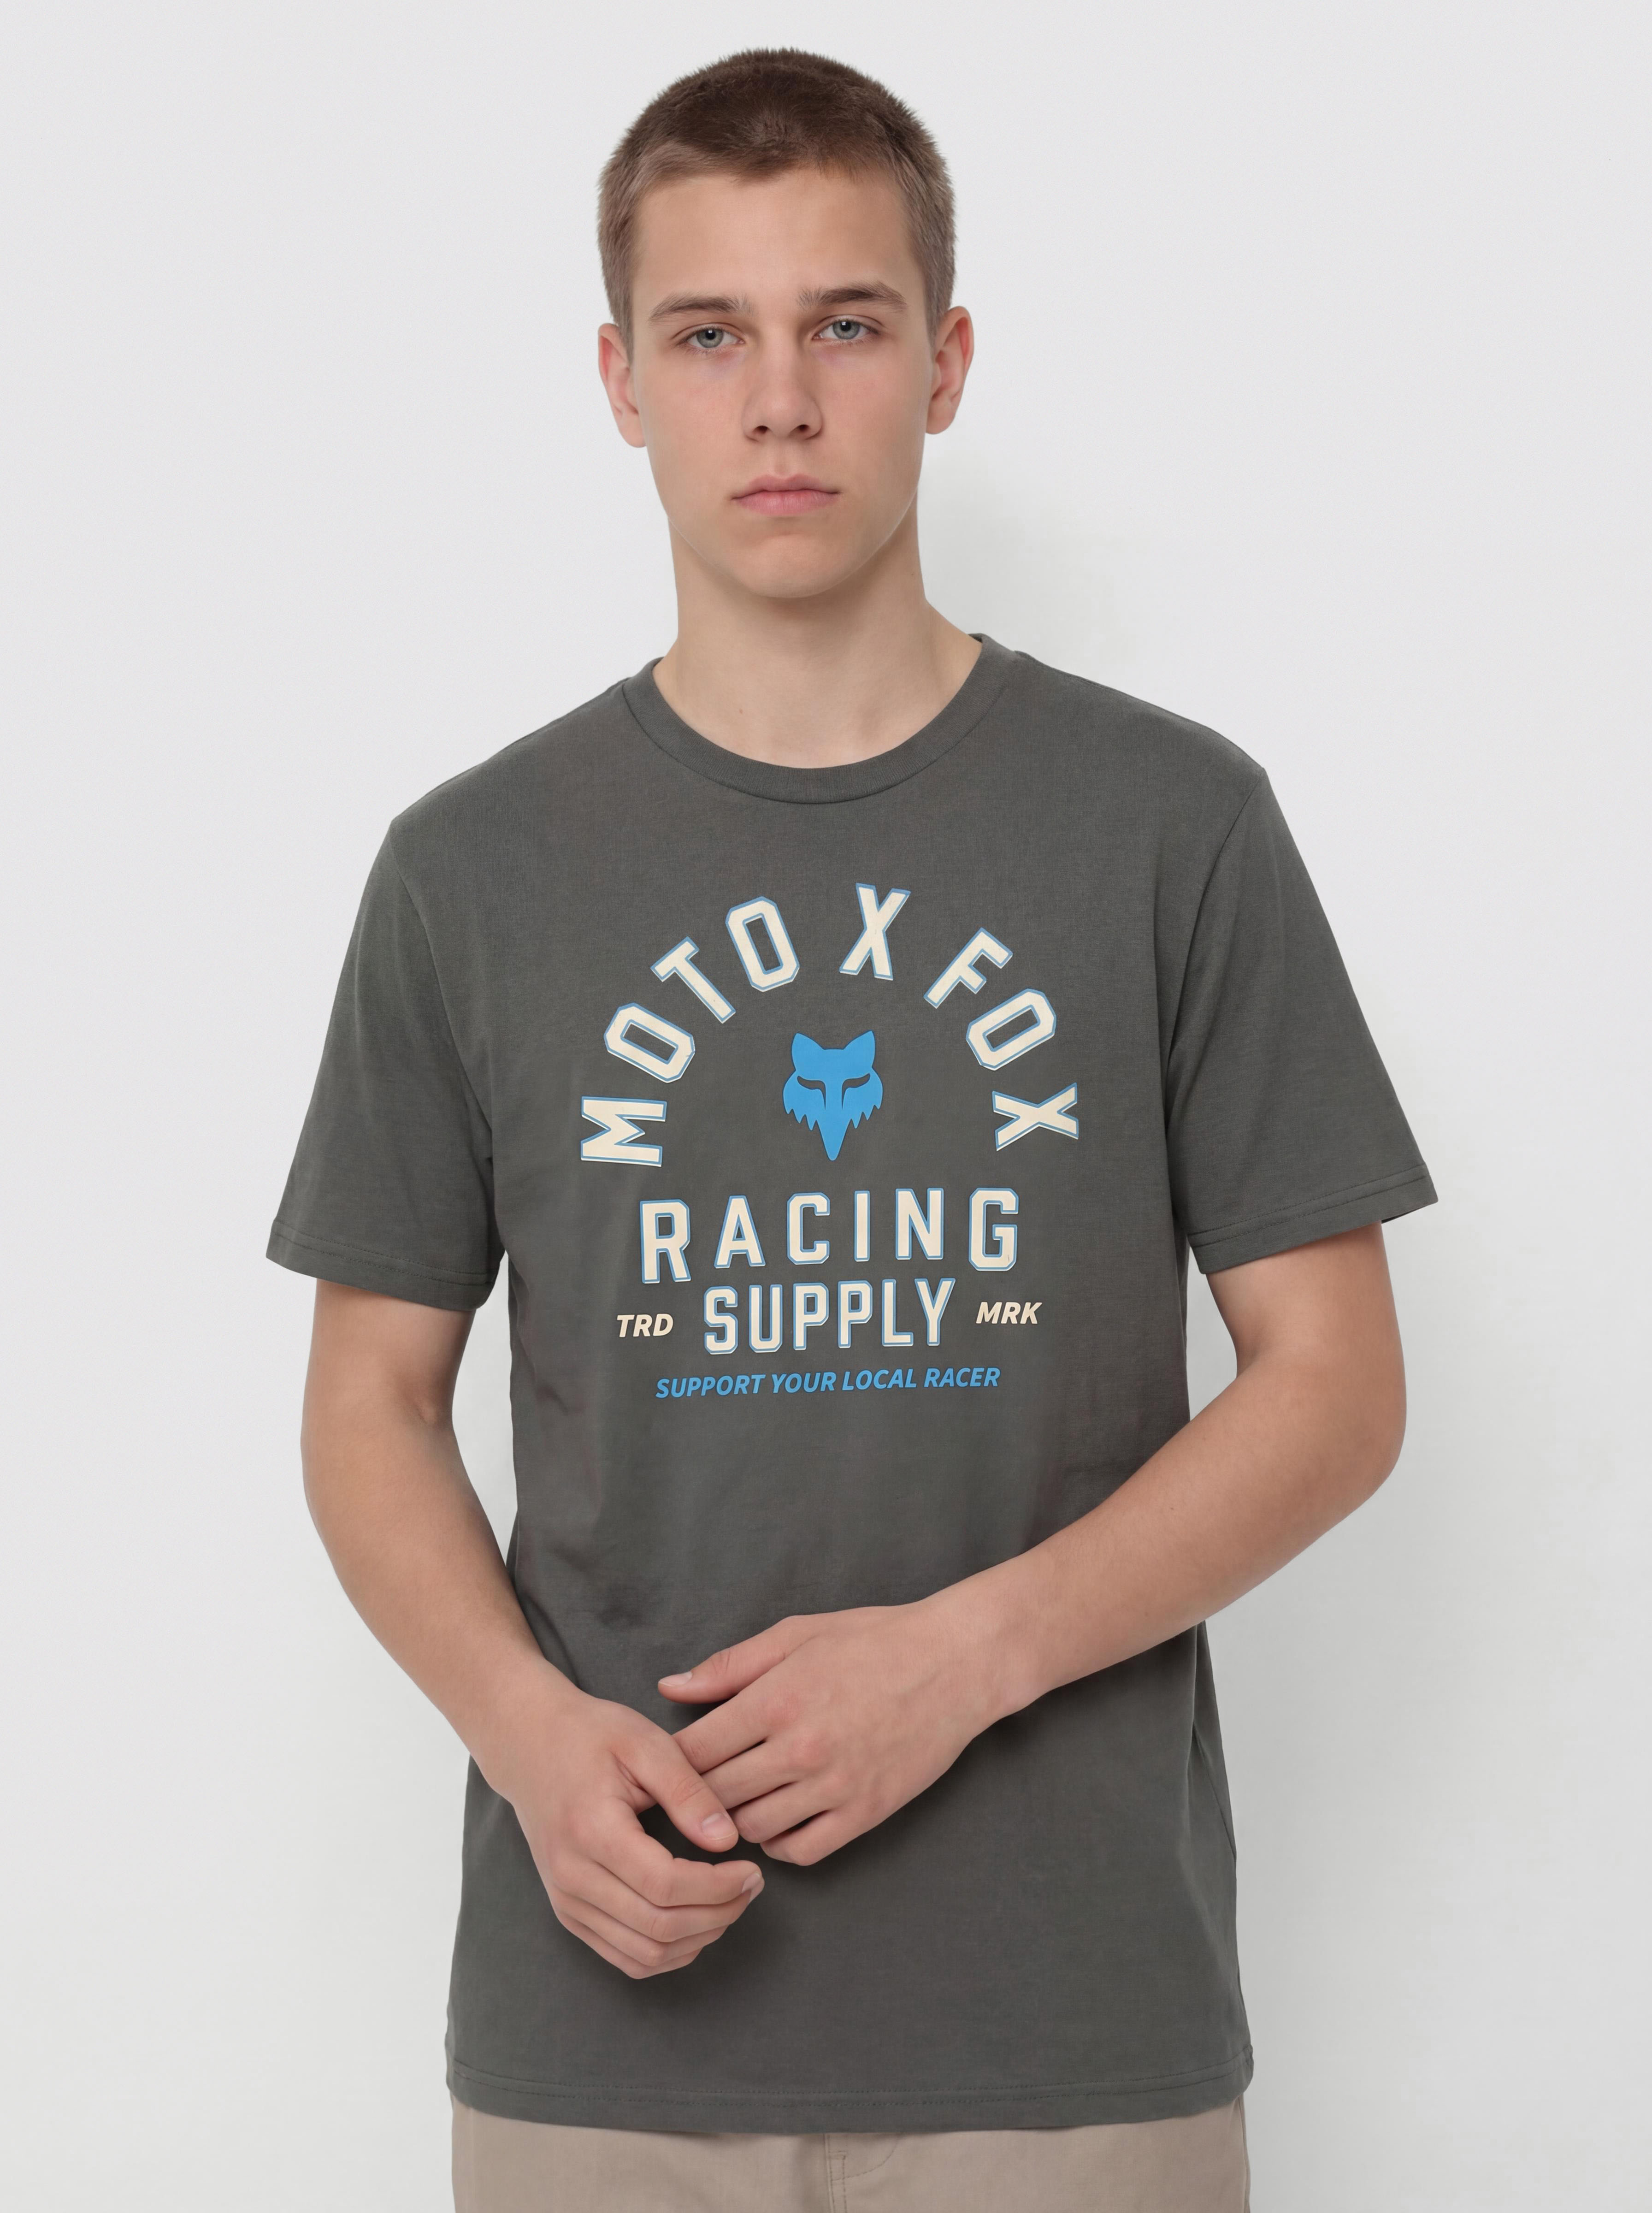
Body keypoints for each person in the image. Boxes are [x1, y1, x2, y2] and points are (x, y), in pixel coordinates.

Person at [268, 47, 1435, 2213]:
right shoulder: (470, 871)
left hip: (1066, 2029)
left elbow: (1337, 1385)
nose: (781, 401)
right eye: (709, 335)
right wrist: (527, 1737)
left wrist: (966, 1660)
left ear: (945, 363)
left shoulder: (1168, 826)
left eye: (846, 324)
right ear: (620, 384)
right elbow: (368, 1405)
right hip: (602, 2022)